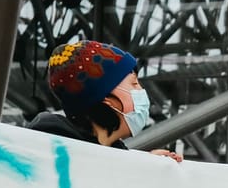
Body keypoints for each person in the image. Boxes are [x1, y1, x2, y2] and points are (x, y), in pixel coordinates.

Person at [27, 40, 181, 159]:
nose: (141, 92)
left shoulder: (108, 156)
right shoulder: (46, 150)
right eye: (134, 84)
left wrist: (142, 165)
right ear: (105, 98)